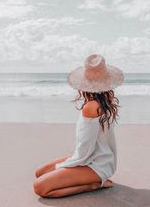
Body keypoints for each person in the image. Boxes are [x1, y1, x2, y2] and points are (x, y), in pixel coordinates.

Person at [33, 54, 124, 198]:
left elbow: (84, 151)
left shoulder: (91, 107)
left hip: (96, 164)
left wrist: (66, 165)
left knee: (40, 187)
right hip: (99, 158)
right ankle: (86, 178)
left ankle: (91, 185)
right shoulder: (105, 102)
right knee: (40, 172)